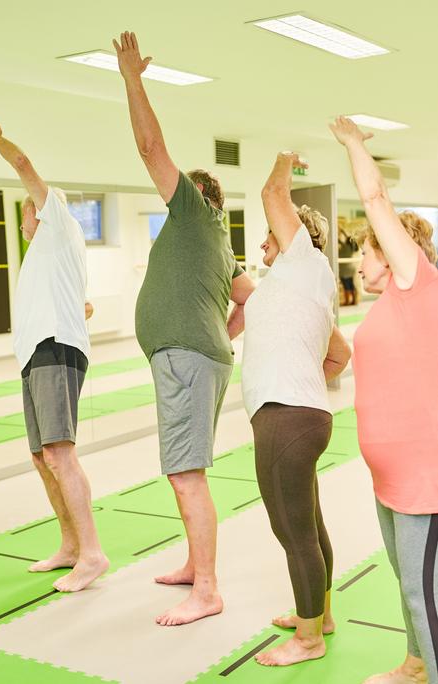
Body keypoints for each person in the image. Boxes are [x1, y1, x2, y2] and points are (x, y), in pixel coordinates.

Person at [113, 31, 255, 627]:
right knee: (183, 468)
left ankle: (208, 590)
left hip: (189, 359)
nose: (168, 193)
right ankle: (197, 569)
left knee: (185, 472)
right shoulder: (222, 247)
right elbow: (248, 298)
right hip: (195, 355)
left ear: (201, 198)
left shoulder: (197, 215)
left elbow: (150, 148)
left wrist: (132, 79)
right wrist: (219, 333)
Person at [331, 115, 438, 684]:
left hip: (423, 477)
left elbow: (374, 197)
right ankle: (416, 664)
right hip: (389, 478)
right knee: (408, 583)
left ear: (394, 251)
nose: (359, 261)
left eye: (367, 251)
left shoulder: (415, 283)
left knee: (425, 594)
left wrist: (352, 142)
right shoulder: (386, 305)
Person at [0, 116, 109, 593]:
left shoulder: (58, 224)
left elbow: (23, 163)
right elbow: (77, 303)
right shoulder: (49, 256)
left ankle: (92, 552)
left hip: (54, 351)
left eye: (27, 211)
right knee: (42, 456)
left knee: (59, 452)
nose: (24, 220)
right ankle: (71, 545)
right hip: (37, 354)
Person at [241, 151, 351, 667]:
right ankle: (319, 615)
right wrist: (307, 382)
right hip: (299, 411)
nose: (263, 240)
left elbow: (273, 194)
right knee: (308, 522)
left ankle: (308, 640)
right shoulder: (305, 285)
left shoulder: (301, 262)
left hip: (286, 415)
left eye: (269, 233)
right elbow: (340, 354)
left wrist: (283, 158)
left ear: (291, 235)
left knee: (292, 529)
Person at [338, 225, 358, 305]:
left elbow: (337, 240)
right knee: (351, 284)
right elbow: (348, 238)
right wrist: (342, 231)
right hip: (350, 268)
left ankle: (347, 301)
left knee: (346, 285)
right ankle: (353, 301)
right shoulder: (351, 247)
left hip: (345, 269)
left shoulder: (345, 246)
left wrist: (340, 231)